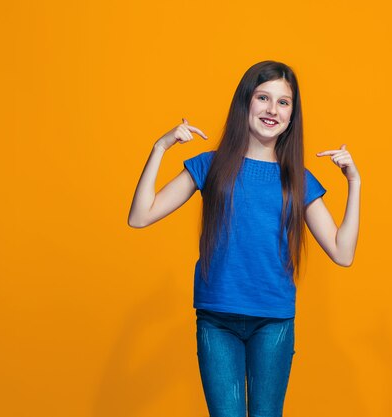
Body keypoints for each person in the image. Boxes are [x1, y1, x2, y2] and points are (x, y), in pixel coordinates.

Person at [127, 60, 361, 417]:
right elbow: (140, 216)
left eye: (283, 102)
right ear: (246, 103)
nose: (272, 109)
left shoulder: (298, 179)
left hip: (273, 320)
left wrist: (354, 183)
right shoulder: (211, 165)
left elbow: (343, 253)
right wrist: (160, 148)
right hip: (217, 317)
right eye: (263, 97)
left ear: (292, 114)